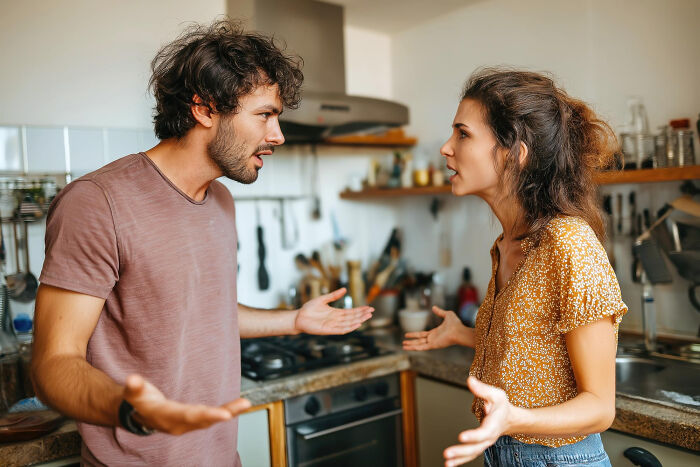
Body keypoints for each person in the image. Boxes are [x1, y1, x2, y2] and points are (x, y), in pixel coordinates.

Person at [31, 20, 373, 466]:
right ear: (205, 109)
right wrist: (131, 410)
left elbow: (201, 313)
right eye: (265, 115)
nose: (278, 136)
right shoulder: (98, 203)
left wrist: (294, 321)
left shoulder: (221, 200)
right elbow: (53, 365)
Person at [403, 68, 627, 467]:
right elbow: (533, 349)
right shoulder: (507, 244)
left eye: (463, 134)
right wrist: (464, 334)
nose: (445, 148)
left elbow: (600, 407)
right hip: (504, 455)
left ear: (515, 152)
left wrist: (512, 420)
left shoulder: (568, 244)